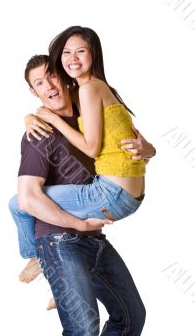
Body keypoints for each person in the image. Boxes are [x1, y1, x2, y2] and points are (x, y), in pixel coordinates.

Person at [9, 54, 153, 336]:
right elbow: (28, 199)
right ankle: (37, 258)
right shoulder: (39, 135)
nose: (48, 85)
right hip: (60, 239)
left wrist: (147, 150)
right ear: (34, 94)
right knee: (83, 330)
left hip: (93, 240)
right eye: (39, 83)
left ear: (64, 76)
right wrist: (79, 225)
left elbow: (128, 153)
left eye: (51, 76)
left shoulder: (91, 116)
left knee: (130, 317)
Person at [10, 26, 155, 286]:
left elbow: (92, 148)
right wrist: (29, 116)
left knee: (18, 203)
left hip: (110, 194)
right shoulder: (93, 91)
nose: (73, 58)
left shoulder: (88, 90)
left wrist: (51, 118)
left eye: (80, 51)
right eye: (67, 52)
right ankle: (43, 260)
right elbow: (123, 143)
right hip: (131, 194)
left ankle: (37, 258)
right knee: (27, 200)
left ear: (93, 54)